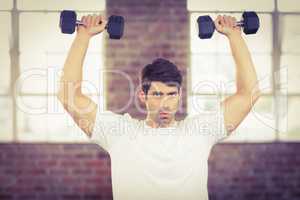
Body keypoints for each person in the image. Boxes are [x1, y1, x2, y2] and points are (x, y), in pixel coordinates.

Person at [57, 14, 261, 200]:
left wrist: (235, 35)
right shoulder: (119, 132)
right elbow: (69, 96)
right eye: (157, 94)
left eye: (171, 94)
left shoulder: (199, 131)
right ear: (142, 96)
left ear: (179, 95)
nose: (165, 103)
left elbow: (249, 94)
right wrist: (83, 36)